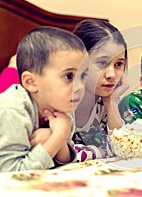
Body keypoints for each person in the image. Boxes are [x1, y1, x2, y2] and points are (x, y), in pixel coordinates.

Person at [0, 26, 87, 171]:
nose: (80, 86)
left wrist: (58, 138)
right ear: (30, 82)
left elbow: (67, 167)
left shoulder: (62, 106)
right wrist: (58, 136)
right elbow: (11, 175)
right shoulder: (12, 110)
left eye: (83, 76)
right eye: (69, 76)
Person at [71, 19, 129, 160]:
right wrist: (100, 152)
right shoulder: (63, 101)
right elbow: (60, 154)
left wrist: (111, 103)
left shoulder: (109, 103)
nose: (111, 75)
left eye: (119, 64)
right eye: (102, 63)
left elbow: (123, 149)